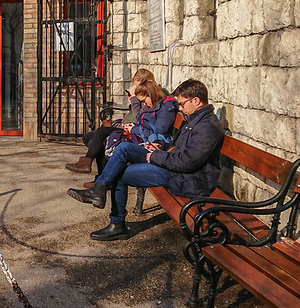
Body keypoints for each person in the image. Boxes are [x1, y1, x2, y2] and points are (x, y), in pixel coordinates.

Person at [66, 79, 224, 241]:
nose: (180, 108)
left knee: (118, 173)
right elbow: (178, 148)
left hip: (190, 179)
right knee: (124, 149)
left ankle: (116, 223)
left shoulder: (207, 127)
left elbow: (187, 162)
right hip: (175, 166)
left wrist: (156, 156)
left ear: (196, 100)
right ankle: (99, 189)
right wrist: (160, 148)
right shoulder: (195, 119)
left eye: (182, 104)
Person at [66, 68, 157, 176]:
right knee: (89, 137)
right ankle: (95, 172)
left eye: (138, 87)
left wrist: (134, 99)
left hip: (135, 133)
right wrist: (133, 101)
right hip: (127, 127)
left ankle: (97, 174)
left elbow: (138, 118)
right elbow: (136, 115)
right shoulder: (145, 97)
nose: (136, 90)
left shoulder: (154, 96)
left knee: (101, 135)